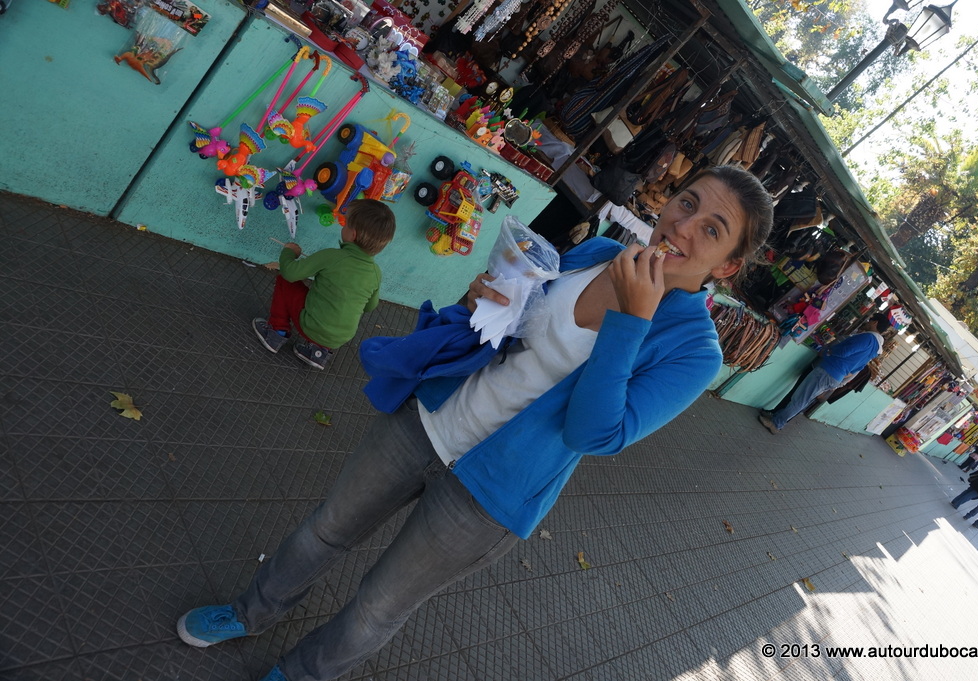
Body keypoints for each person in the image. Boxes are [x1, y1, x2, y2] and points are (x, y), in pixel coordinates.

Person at [176, 166, 774, 681]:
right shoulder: (597, 252)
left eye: (712, 229)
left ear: (728, 266)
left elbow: (595, 434)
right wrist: (482, 302)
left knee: (379, 606)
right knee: (325, 530)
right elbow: (516, 326)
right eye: (687, 203)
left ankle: (301, 673)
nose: (684, 226)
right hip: (432, 418)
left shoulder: (695, 351)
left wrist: (632, 320)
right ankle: (250, 612)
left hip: (492, 493)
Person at [251, 199, 396, 370]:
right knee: (332, 312)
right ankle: (318, 353)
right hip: (339, 338)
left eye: (345, 223)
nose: (343, 226)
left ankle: (276, 332)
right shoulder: (376, 273)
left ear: (353, 234)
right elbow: (370, 306)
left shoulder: (332, 256)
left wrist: (289, 252)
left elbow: (290, 273)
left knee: (285, 280)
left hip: (310, 327)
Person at [758, 312, 890, 434]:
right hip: (836, 376)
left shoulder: (868, 338)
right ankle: (776, 418)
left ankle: (776, 423)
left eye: (870, 320)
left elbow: (844, 351)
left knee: (799, 399)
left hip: (828, 370)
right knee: (802, 399)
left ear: (875, 323)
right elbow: (857, 368)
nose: (867, 322)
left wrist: (829, 351)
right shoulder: (876, 348)